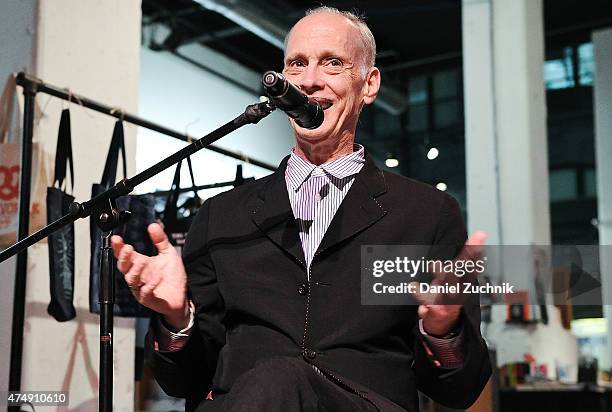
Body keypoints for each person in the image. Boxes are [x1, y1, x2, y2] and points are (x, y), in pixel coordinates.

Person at [112, 7, 491, 412]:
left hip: (364, 404)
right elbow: (182, 380)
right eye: (297, 65)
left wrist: (442, 332)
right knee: (272, 381)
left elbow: (459, 391)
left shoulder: (427, 214)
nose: (310, 80)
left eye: (332, 63)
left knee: (282, 375)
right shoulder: (221, 216)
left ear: (369, 84)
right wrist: (176, 319)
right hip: (249, 402)